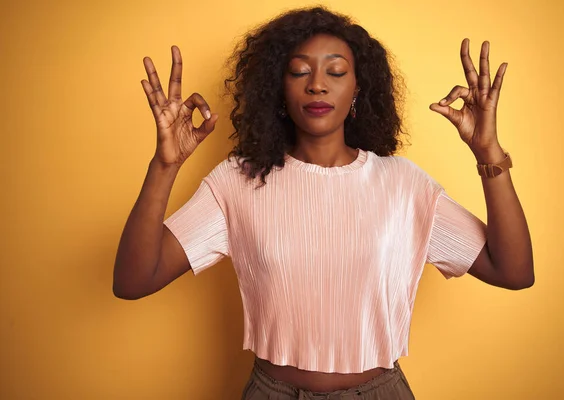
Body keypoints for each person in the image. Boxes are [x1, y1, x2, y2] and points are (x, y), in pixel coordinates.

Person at [113, 6, 534, 400]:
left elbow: (513, 271)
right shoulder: (237, 182)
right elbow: (134, 281)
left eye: (335, 71)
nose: (317, 83)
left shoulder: (404, 184)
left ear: (357, 90)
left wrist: (489, 154)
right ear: (278, 90)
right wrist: (165, 165)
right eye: (299, 71)